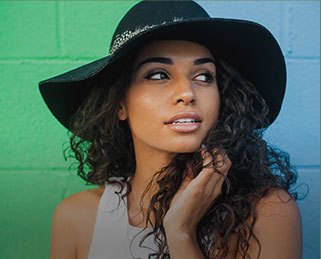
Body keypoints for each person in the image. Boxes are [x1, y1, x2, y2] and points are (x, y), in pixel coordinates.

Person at [39, 1, 302, 258]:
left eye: (204, 76)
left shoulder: (266, 213)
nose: (187, 93)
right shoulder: (77, 218)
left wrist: (180, 233)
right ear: (120, 104)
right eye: (158, 75)